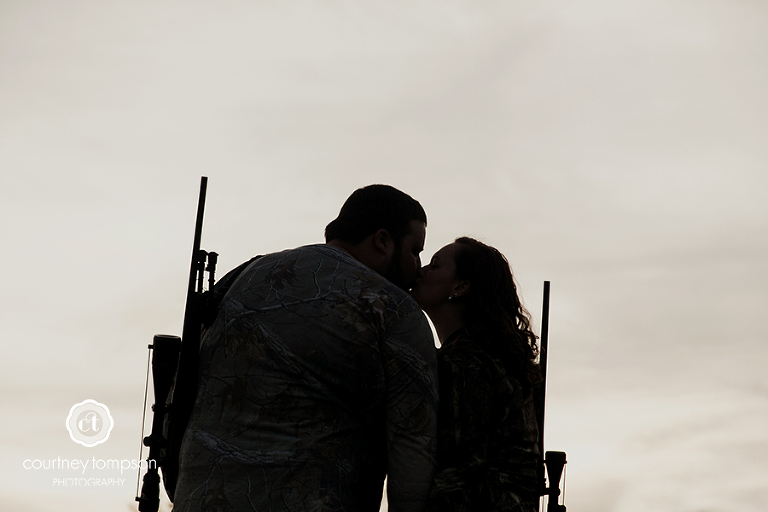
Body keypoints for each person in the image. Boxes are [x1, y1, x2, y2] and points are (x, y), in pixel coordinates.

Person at [173, 185, 439, 512]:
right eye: (415, 251)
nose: (418, 267)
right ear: (383, 240)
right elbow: (413, 447)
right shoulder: (394, 310)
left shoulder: (244, 276)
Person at [410, 237, 541, 512]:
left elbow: (460, 473)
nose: (420, 271)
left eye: (434, 266)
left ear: (460, 287)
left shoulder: (464, 362)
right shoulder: (484, 357)